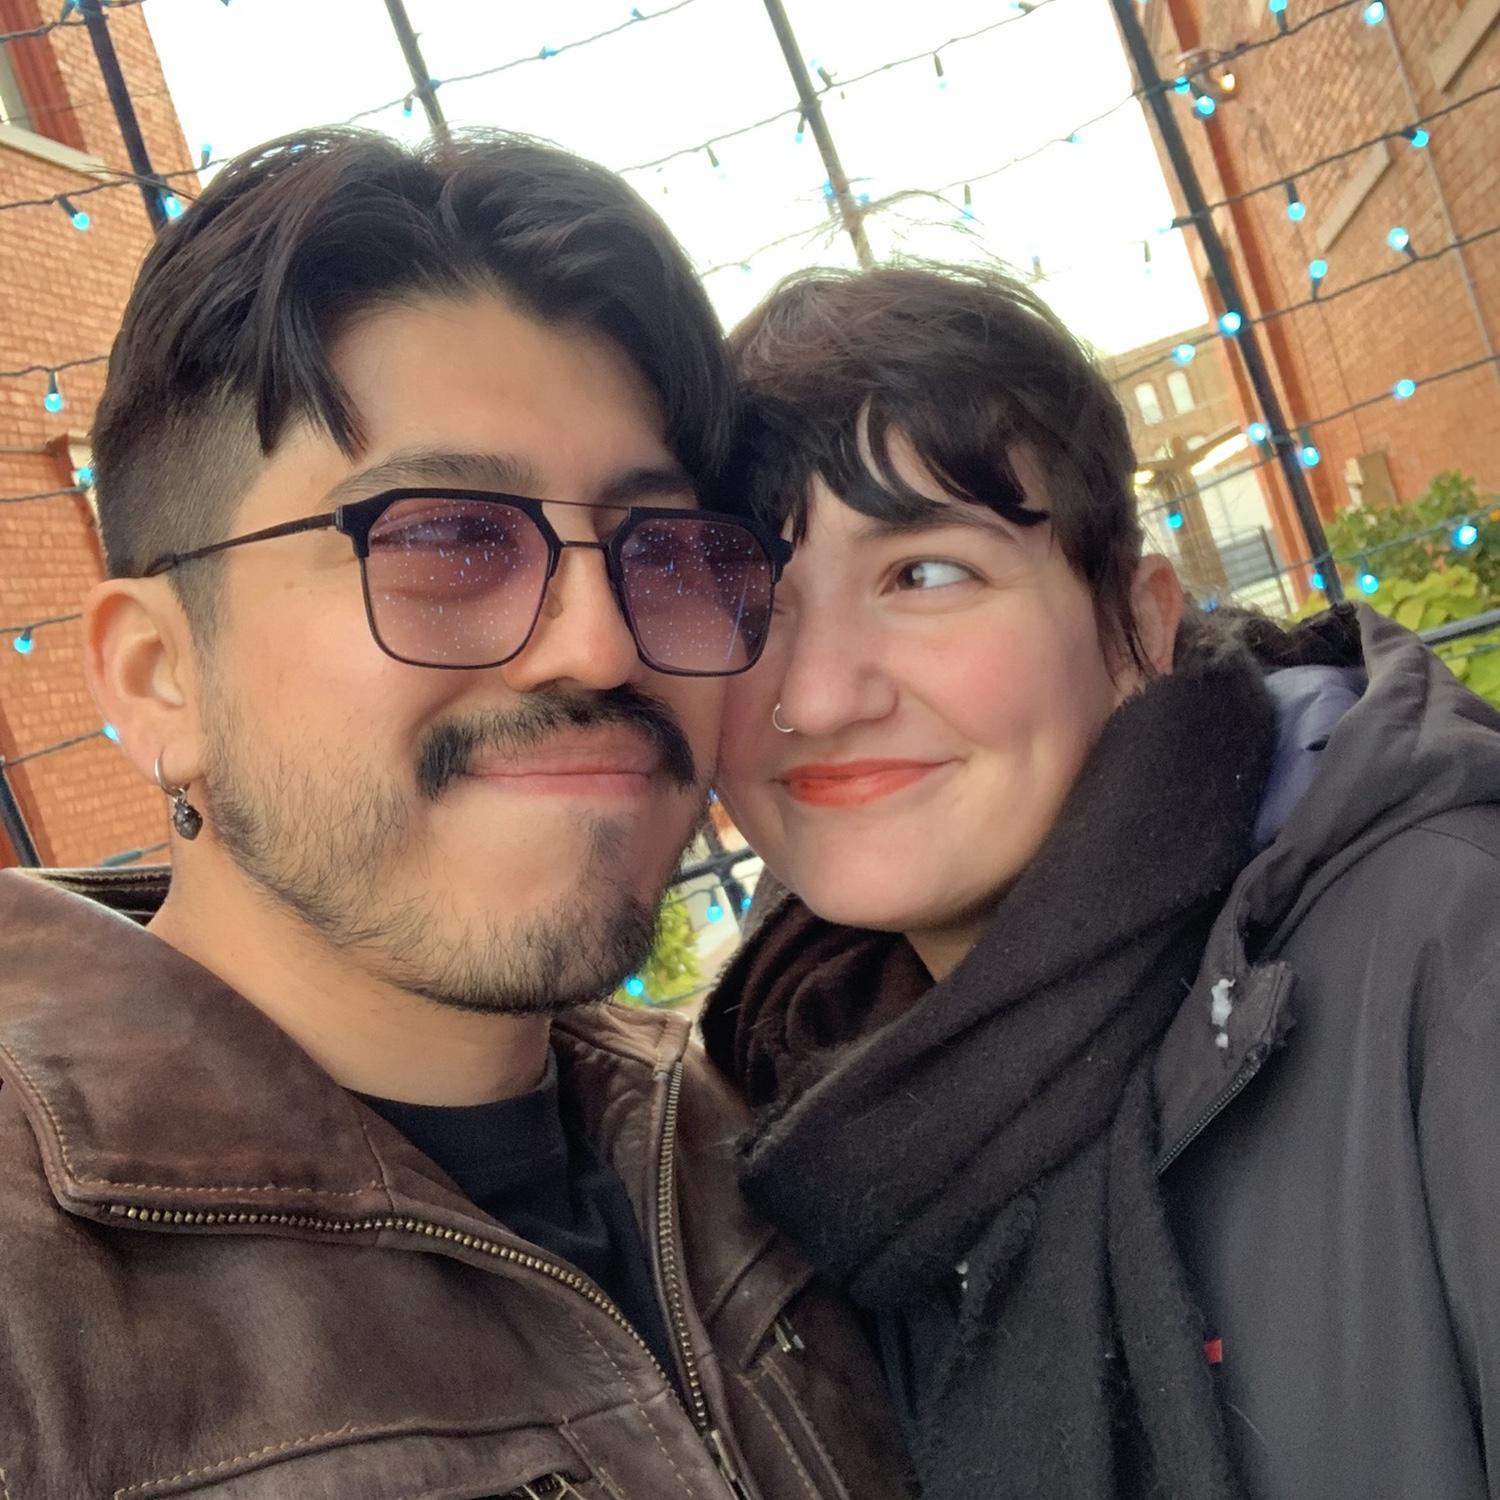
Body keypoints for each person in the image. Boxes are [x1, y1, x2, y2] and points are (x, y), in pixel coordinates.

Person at [0, 130, 914, 1500]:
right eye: (444, 541)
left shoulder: (766, 1142)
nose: (601, 643)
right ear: (157, 676)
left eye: (662, 550)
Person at [701, 262, 1500, 1500]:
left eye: (925, 575)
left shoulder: (1451, 953)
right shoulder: (770, 1097)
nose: (817, 695)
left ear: (1137, 627)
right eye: (750, 600)